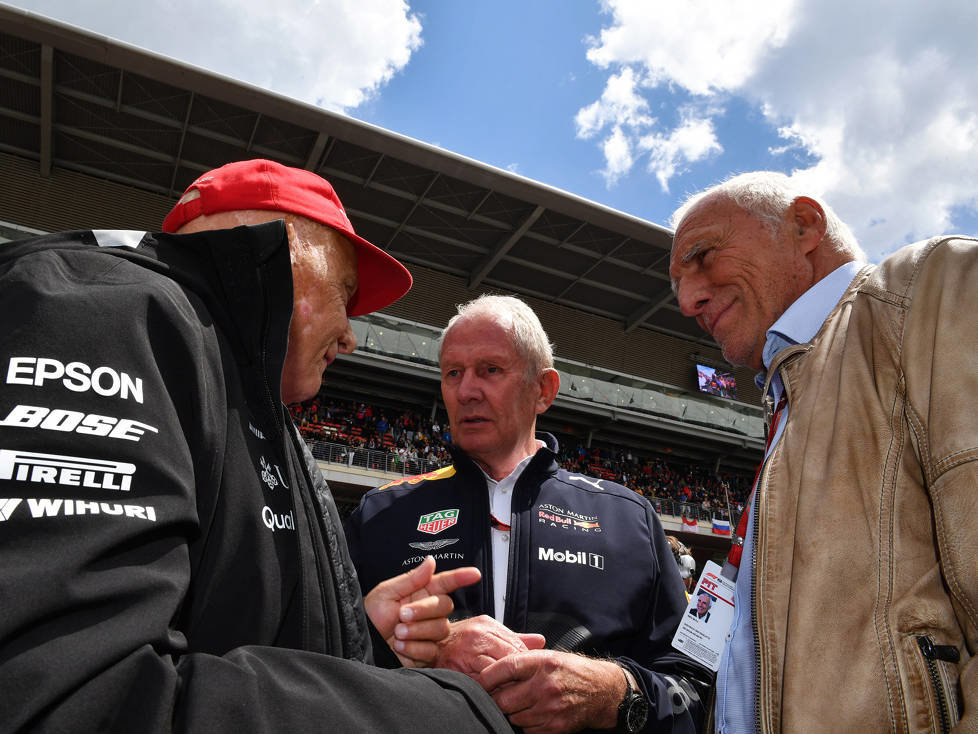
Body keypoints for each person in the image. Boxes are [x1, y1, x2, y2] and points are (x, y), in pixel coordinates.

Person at [0, 159, 512, 732]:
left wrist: (359, 631)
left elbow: (228, 632)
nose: (349, 335)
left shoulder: (259, 406)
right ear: (287, 254)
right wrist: (447, 709)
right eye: (345, 294)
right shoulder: (108, 316)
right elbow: (72, 699)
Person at [669, 171, 978, 732]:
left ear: (805, 226)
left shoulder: (924, 289)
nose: (688, 299)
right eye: (679, 286)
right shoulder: (791, 394)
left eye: (702, 256)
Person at [345, 294, 711, 734]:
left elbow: (693, 692)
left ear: (544, 390)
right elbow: (322, 660)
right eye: (453, 373)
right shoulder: (380, 515)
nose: (466, 391)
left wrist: (613, 694)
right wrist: (416, 651)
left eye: (490, 370)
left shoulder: (627, 519)